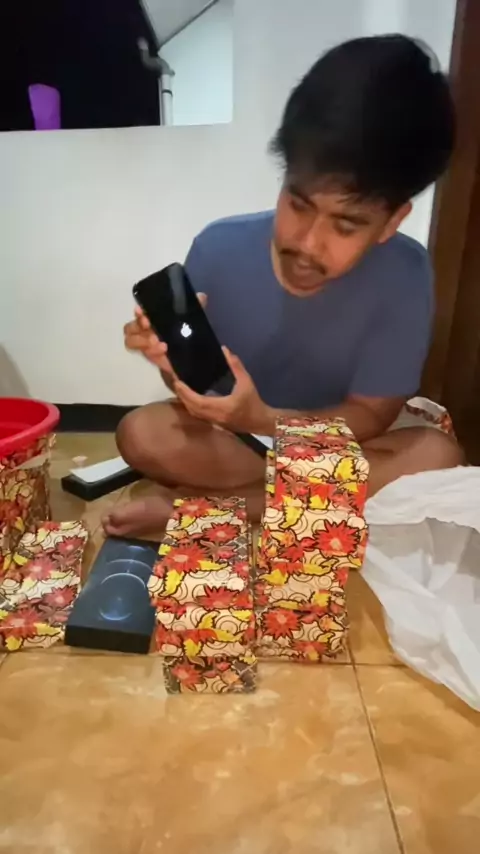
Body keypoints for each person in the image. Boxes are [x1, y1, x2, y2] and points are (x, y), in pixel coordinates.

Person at [103, 34, 462, 539]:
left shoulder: (406, 273)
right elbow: (200, 391)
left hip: (333, 442)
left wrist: (267, 418)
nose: (308, 245)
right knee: (142, 434)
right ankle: (298, 499)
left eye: (346, 225)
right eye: (298, 204)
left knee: (435, 455)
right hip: (236, 440)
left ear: (391, 222)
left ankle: (213, 508)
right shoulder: (218, 246)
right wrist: (171, 366)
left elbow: (370, 415)